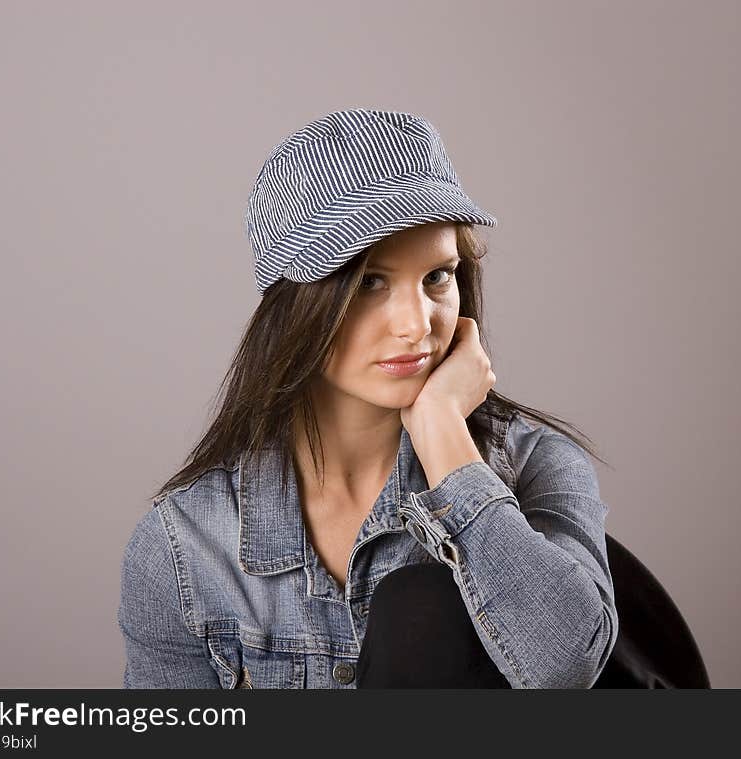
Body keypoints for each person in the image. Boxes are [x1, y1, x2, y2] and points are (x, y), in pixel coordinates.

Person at [118, 108, 619, 689]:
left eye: (437, 277)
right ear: (294, 306)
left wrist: (445, 440)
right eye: (370, 282)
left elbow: (566, 667)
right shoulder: (184, 546)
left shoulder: (532, 465)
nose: (416, 324)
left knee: (421, 605)